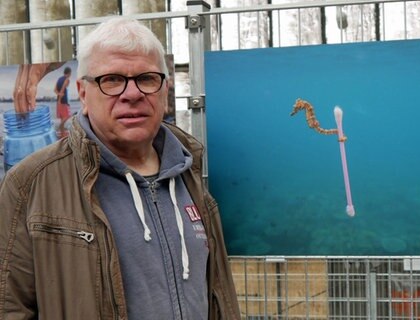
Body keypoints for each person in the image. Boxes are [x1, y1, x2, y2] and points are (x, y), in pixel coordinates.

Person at [0, 17, 241, 320]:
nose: (132, 94)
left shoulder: (188, 176)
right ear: (83, 94)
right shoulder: (30, 184)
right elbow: (9, 307)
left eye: (147, 78)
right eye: (112, 79)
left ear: (164, 91)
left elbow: (217, 294)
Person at [54, 66, 72, 137]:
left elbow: (55, 90)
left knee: (62, 118)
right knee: (68, 116)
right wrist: (60, 99)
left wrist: (59, 95)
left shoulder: (59, 79)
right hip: (63, 101)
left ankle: (62, 134)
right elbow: (62, 89)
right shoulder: (67, 79)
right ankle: (60, 127)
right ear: (69, 73)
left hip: (59, 101)